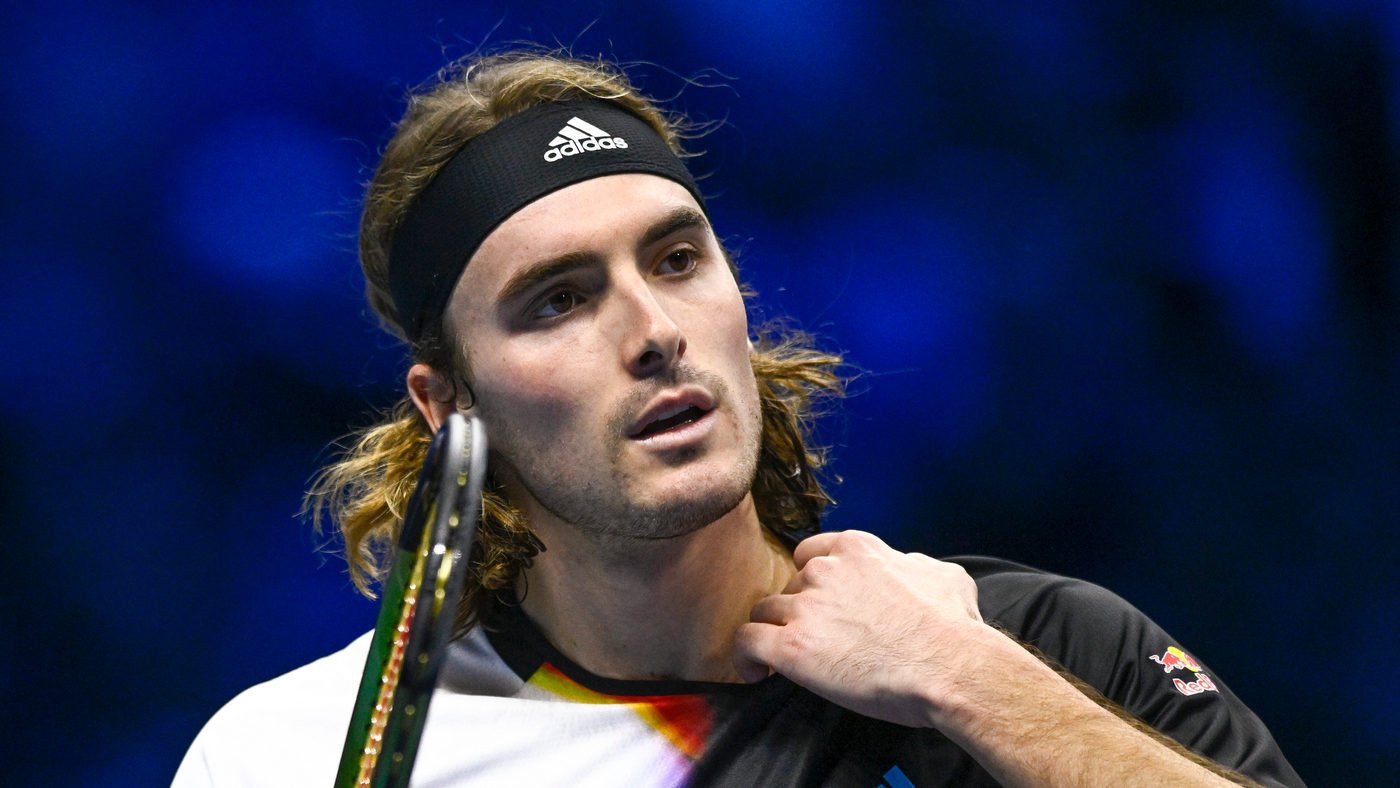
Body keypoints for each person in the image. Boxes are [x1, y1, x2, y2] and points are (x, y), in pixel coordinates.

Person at [174, 50, 1302, 787]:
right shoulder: (294, 753)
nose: (654, 329)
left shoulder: (1035, 647)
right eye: (558, 300)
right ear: (449, 404)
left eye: (675, 259)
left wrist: (965, 681)